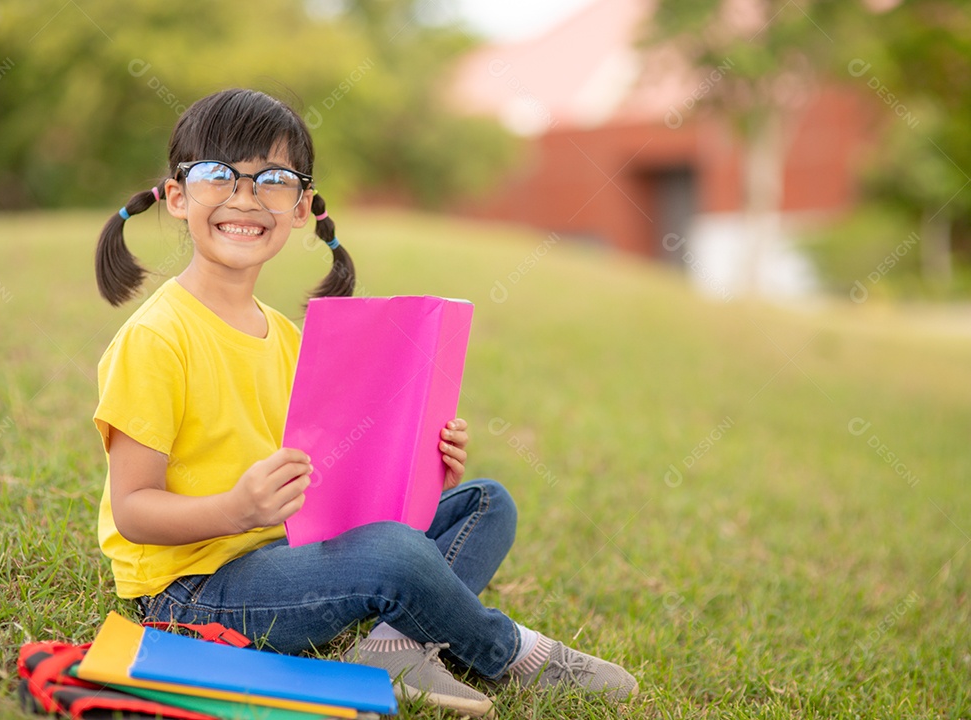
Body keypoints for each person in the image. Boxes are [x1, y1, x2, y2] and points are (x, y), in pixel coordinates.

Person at [92, 88, 638, 717]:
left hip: (284, 550)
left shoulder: (290, 337)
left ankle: (392, 647)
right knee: (394, 555)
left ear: (301, 208)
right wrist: (235, 508)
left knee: (488, 504)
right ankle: (507, 650)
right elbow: (134, 511)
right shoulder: (157, 339)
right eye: (220, 175)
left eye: (272, 180)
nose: (245, 198)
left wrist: (424, 475)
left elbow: (332, 483)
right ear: (178, 196)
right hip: (192, 591)